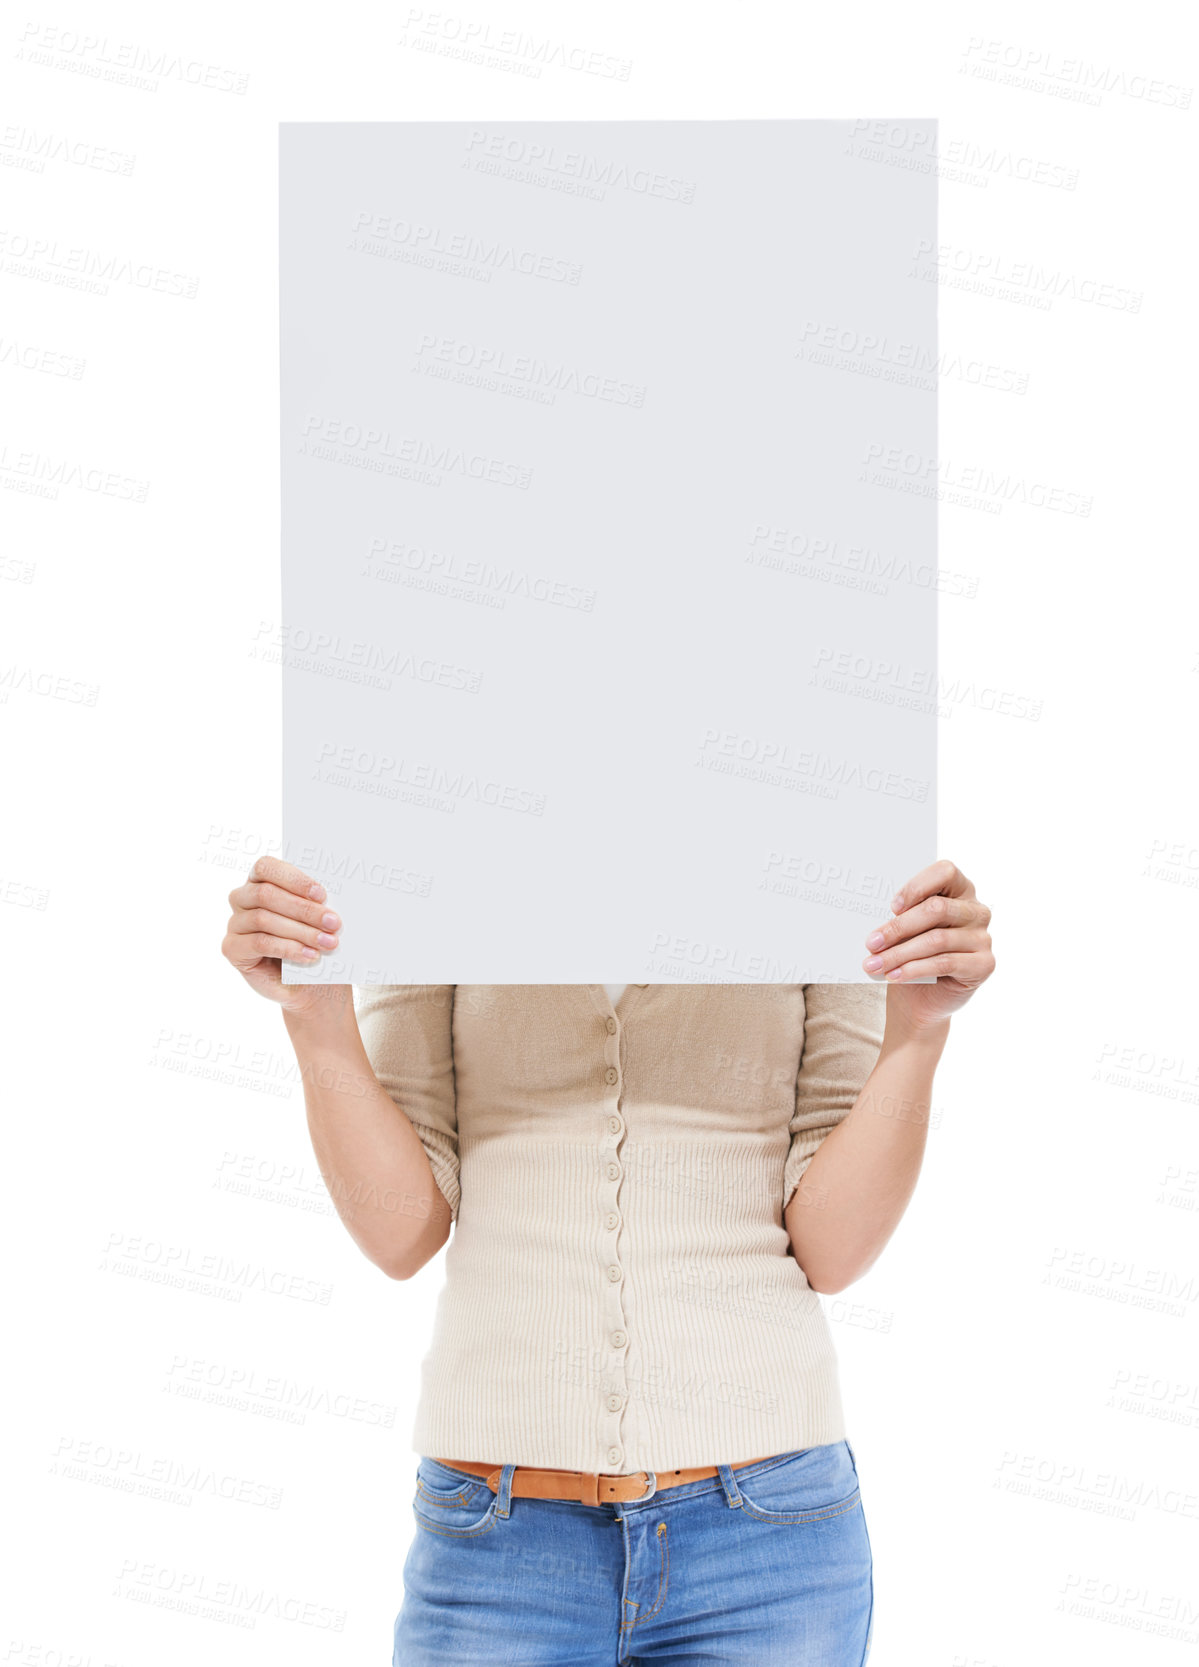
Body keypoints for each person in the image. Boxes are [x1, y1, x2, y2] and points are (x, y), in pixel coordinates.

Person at [222, 857, 994, 1664]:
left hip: (767, 1542)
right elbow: (400, 1232)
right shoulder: (437, 855)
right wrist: (314, 1015)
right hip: (498, 1538)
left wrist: (917, 1031)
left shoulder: (808, 857)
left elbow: (832, 1250)